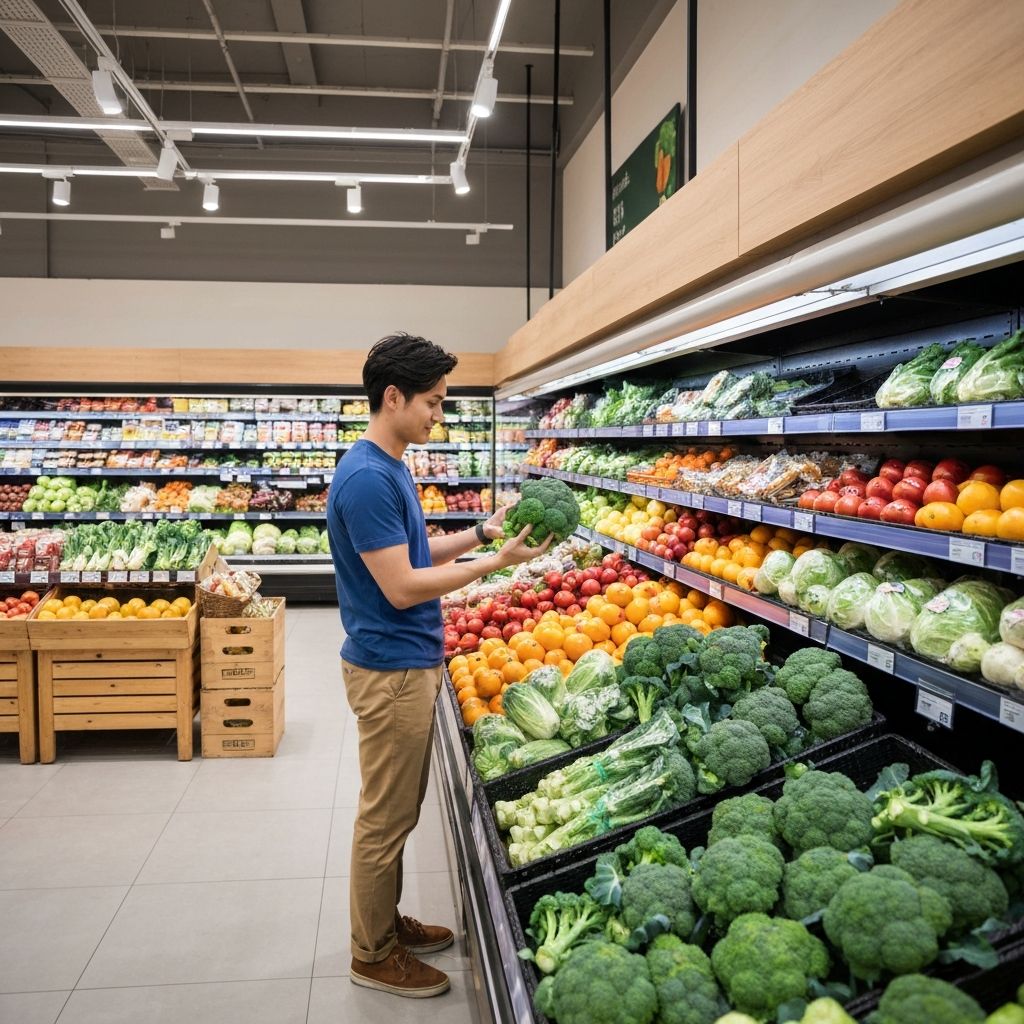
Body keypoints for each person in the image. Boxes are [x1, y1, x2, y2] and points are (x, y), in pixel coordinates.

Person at [326, 332, 550, 998]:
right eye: (432, 402)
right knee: (385, 817)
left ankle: (384, 922)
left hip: (403, 659)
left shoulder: (388, 463)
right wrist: (496, 565)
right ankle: (372, 951)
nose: (438, 416)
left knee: (395, 811)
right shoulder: (368, 478)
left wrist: (482, 534)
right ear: (391, 397)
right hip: (390, 669)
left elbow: (416, 554)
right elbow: (401, 586)